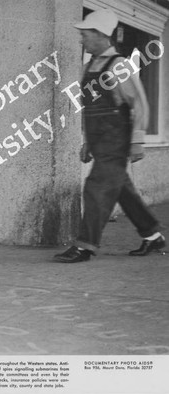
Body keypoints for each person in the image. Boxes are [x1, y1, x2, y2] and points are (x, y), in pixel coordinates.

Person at [54, 8, 165, 263]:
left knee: (96, 188)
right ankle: (152, 236)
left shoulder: (120, 66)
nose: (81, 39)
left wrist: (137, 142)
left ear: (101, 35)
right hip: (99, 140)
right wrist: (86, 141)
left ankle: (84, 246)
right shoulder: (88, 67)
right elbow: (89, 108)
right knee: (121, 189)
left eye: (85, 35)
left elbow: (139, 104)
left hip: (117, 141)